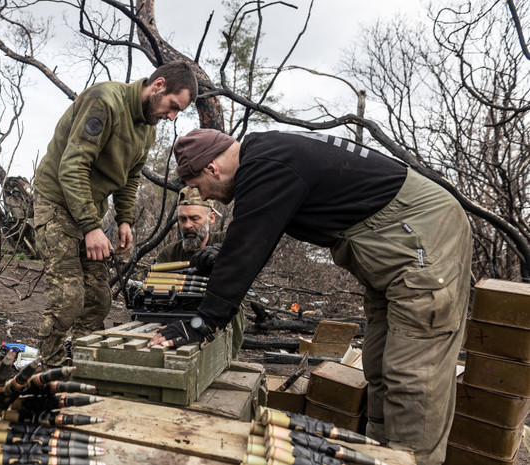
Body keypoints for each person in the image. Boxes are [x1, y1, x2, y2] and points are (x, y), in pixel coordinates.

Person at [149, 128, 472, 465]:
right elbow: (255, 230)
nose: (208, 196)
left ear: (212, 169)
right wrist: (224, 253)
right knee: (379, 362)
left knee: (412, 375)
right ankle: (382, 455)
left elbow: (249, 246)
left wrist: (203, 322)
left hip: (423, 238)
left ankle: (412, 459)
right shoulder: (266, 157)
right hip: (393, 254)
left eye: (201, 187)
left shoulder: (268, 163)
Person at [32, 61, 198, 367]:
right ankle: (50, 366)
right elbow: (73, 166)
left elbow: (131, 176)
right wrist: (91, 227)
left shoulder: (148, 127)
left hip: (88, 209)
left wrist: (124, 219)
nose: (172, 116)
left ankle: (83, 362)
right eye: (173, 106)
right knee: (68, 297)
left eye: (179, 112)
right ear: (158, 85)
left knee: (97, 298)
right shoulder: (104, 101)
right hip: (56, 201)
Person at [155, 186, 245, 359]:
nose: (187, 225)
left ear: (210, 218)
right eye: (182, 219)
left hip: (219, 317)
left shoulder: (227, 240)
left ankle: (228, 358)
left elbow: (247, 256)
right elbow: (159, 295)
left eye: (194, 218)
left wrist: (221, 254)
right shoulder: (168, 254)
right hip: (180, 315)